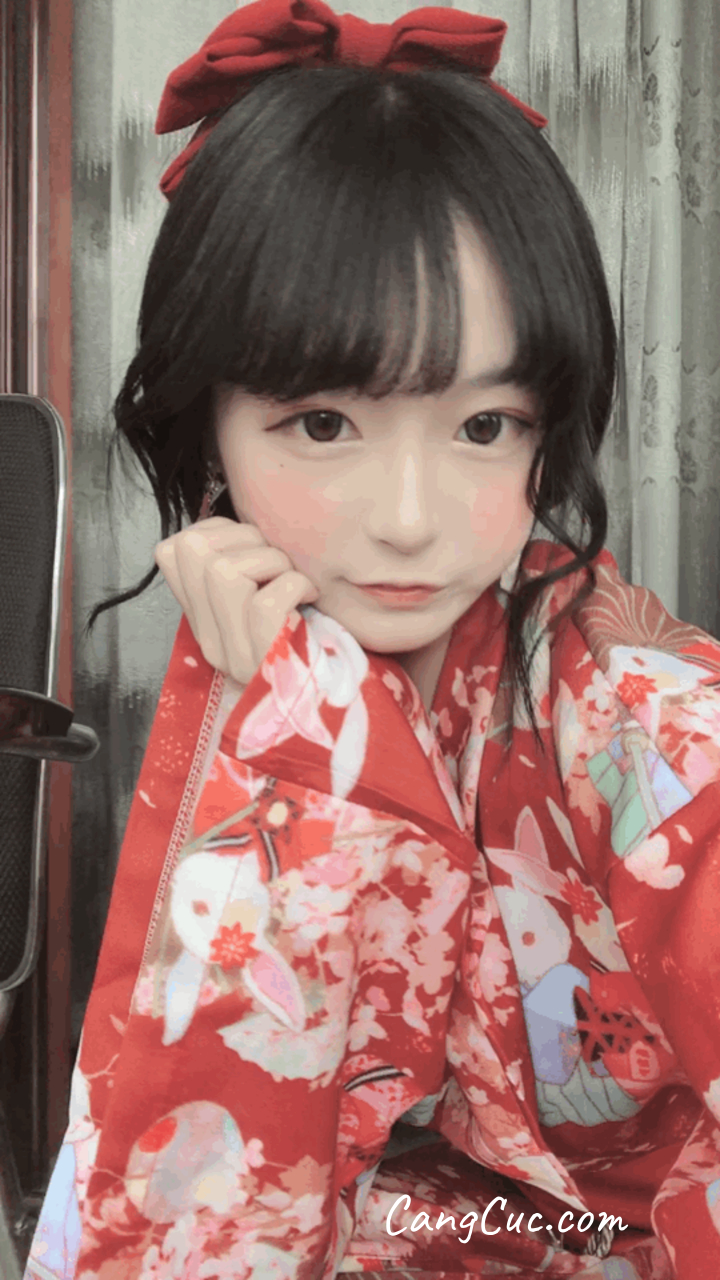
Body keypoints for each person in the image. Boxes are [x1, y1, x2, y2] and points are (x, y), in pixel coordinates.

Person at [24, 2, 720, 1277]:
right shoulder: (274, 631)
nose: (409, 521)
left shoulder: (632, 698)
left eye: (486, 425)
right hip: (460, 1220)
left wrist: (304, 728)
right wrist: (300, 702)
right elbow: (209, 1143)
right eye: (324, 424)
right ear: (205, 420)